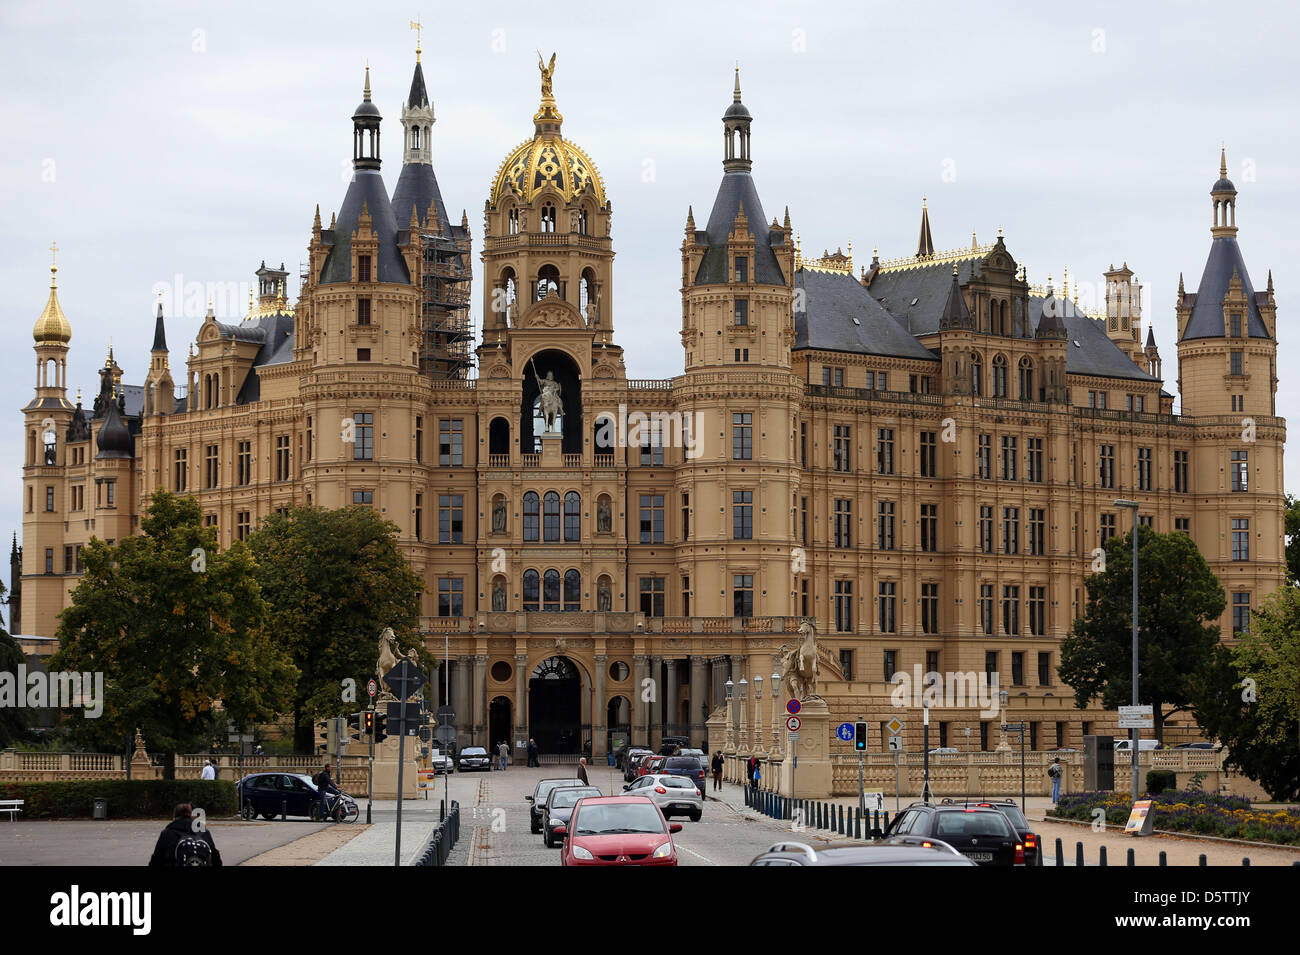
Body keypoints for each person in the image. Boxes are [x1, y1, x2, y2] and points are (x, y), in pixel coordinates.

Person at [149, 803, 222, 866]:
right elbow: (216, 859)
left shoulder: (167, 833)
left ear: (174, 817)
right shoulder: (204, 832)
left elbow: (156, 860)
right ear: (191, 816)